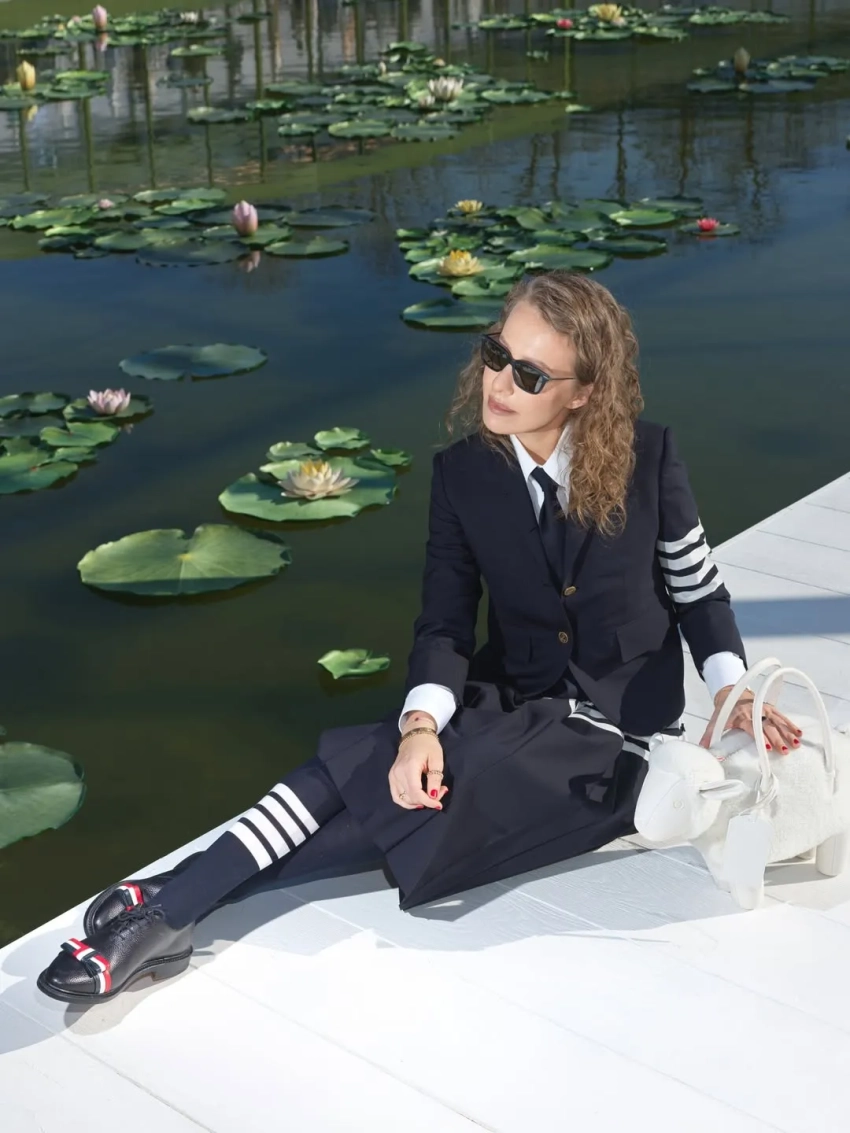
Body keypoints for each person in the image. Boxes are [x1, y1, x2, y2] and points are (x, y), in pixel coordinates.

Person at [38, 270, 804, 1004]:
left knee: (425, 799)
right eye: (497, 353)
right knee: (363, 764)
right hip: (514, 698)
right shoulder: (463, 474)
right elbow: (444, 620)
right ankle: (170, 911)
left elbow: (697, 590)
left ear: (584, 392)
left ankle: (171, 900)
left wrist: (731, 688)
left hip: (616, 739)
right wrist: (419, 727)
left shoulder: (650, 458)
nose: (499, 382)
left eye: (530, 375)